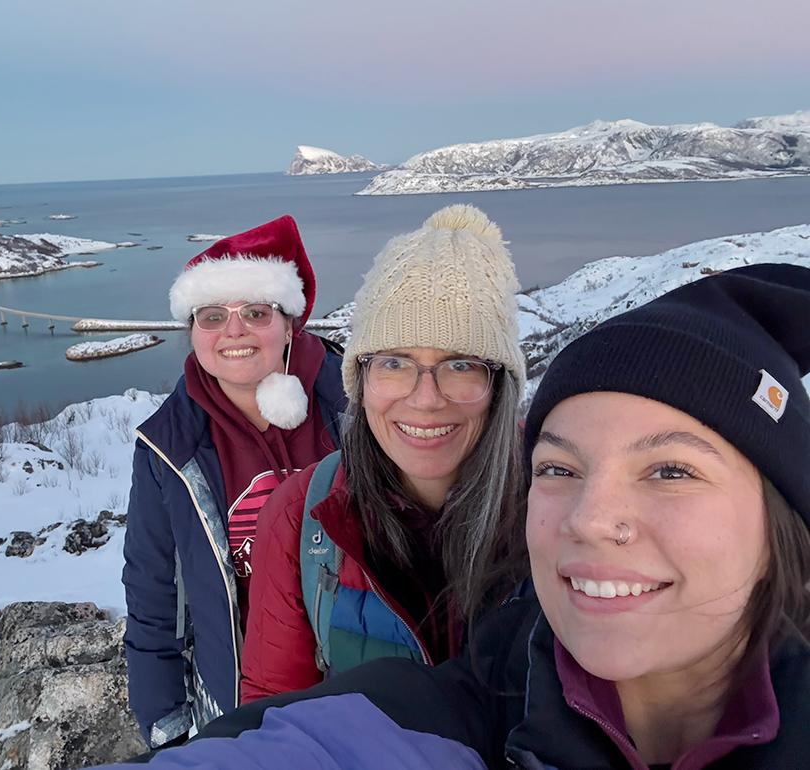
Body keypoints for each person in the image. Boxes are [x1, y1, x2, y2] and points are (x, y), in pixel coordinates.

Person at [128, 263, 810, 770]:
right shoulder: (481, 699)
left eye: (670, 471)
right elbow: (279, 725)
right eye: (562, 470)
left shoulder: (519, 578)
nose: (591, 519)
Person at [240, 205, 528, 703]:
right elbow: (273, 717)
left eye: (460, 364)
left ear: (499, 384)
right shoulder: (301, 519)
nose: (425, 397)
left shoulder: (563, 500)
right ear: (362, 379)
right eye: (395, 363)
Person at [122, 215, 347, 749]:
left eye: (256, 312)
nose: (235, 330)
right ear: (193, 331)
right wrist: (169, 728)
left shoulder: (355, 407)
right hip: (242, 700)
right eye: (213, 316)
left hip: (362, 683)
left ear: (290, 322)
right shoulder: (167, 448)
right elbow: (154, 594)